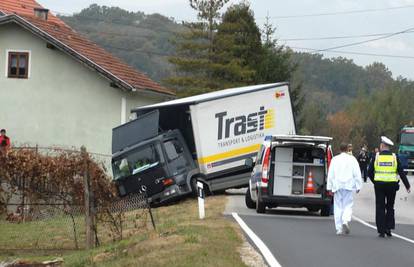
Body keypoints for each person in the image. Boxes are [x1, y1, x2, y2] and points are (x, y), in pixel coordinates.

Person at [367, 136, 411, 238]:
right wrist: (407, 186)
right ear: (389, 147)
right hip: (392, 185)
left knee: (380, 207)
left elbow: (369, 172)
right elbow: (401, 172)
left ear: (382, 146)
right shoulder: (394, 157)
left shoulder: (376, 157)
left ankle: (381, 231)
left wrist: (375, 181)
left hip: (379, 185)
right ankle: (389, 228)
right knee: (390, 206)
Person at [327, 143, 363, 235]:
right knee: (348, 205)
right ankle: (345, 220)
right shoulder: (352, 159)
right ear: (347, 149)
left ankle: (338, 229)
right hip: (348, 185)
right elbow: (357, 173)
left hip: (337, 185)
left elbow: (331, 174)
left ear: (339, 149)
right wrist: (358, 186)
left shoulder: (335, 159)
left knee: (338, 206)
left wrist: (329, 187)